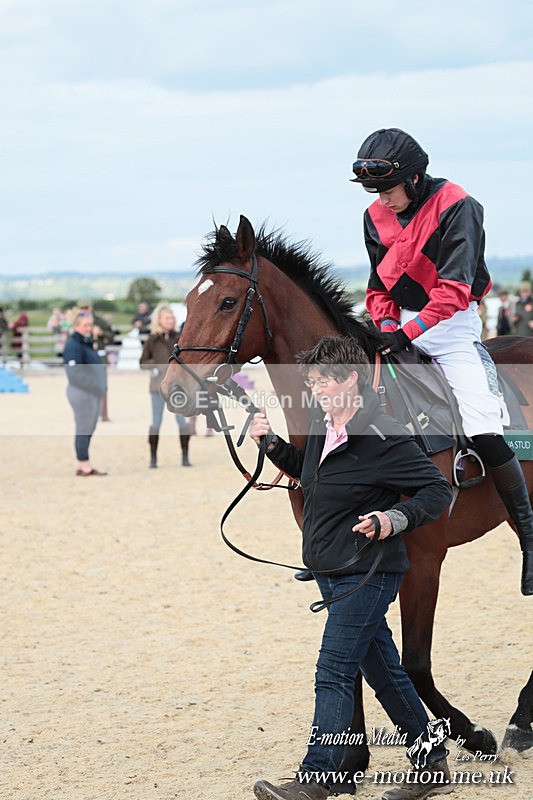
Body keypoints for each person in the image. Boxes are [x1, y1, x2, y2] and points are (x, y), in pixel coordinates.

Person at [249, 336, 453, 800]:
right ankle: (432, 762)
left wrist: (393, 518)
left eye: (325, 381)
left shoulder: (384, 436)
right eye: (313, 381)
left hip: (368, 572)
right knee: (385, 673)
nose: (317, 389)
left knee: (334, 669)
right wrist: (272, 444)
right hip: (329, 567)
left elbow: (436, 492)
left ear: (352, 380)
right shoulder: (323, 426)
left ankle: (316, 778)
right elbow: (314, 473)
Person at [351, 127, 533, 596]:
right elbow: (378, 287)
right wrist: (386, 325)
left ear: (414, 180)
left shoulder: (459, 207)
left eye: (388, 190)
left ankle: (530, 535)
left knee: (481, 419)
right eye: (376, 193)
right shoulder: (376, 214)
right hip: (398, 326)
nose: (382, 201)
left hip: (451, 327)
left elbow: (452, 292)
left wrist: (406, 333)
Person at [139, 303, 193, 468]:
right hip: (157, 387)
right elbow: (143, 362)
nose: (170, 320)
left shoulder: (180, 338)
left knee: (182, 423)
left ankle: (185, 457)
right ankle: (153, 458)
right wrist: (155, 365)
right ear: (159, 320)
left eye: (172, 317)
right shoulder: (152, 340)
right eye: (167, 318)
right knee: (156, 422)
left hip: (178, 388)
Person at [63, 311, 107, 476]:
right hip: (82, 392)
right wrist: (95, 386)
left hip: (92, 392)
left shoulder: (86, 343)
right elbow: (74, 373)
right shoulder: (73, 345)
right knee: (83, 427)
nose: (89, 328)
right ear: (76, 326)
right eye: (85, 325)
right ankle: (84, 464)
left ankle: (83, 462)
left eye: (90, 325)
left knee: (90, 427)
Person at [77, 301, 115, 421]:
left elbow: (111, 335)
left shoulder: (99, 321)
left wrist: (101, 333)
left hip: (100, 358)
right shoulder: (78, 322)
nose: (84, 310)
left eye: (86, 308)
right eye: (81, 308)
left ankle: (104, 414)